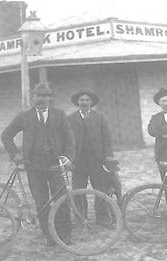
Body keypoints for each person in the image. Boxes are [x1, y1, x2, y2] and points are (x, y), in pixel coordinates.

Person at [1, 82, 75, 246]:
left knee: (61, 199)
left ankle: (65, 233)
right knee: (41, 202)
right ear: (33, 97)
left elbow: (70, 139)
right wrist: (15, 154)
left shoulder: (59, 115)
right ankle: (49, 235)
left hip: (55, 165)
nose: (41, 99)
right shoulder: (24, 116)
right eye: (38, 95)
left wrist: (67, 156)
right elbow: (6, 135)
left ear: (50, 98)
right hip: (33, 166)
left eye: (45, 96)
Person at [68, 90, 114, 225]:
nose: (84, 102)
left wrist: (108, 157)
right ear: (77, 102)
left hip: (97, 160)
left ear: (91, 103)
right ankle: (81, 218)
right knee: (78, 190)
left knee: (101, 189)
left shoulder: (99, 117)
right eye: (81, 100)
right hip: (78, 161)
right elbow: (66, 140)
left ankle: (102, 217)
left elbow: (107, 139)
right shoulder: (70, 119)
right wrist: (69, 158)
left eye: (87, 100)